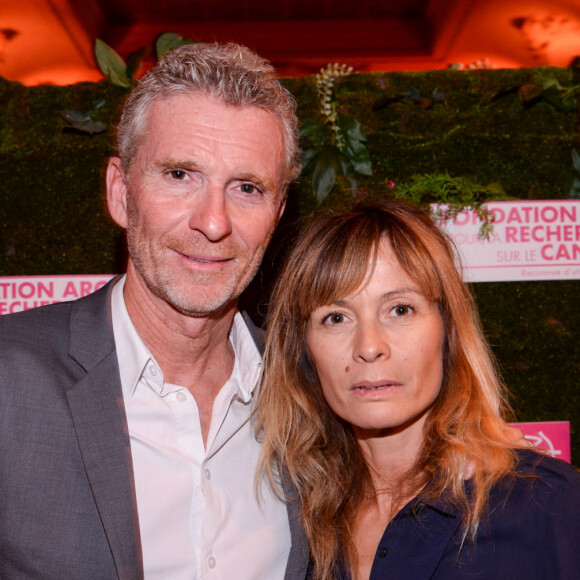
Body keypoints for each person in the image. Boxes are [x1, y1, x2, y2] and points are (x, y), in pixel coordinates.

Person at [0, 42, 309, 579]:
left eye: (246, 187)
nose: (213, 222)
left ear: (277, 214)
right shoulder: (10, 380)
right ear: (121, 193)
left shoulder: (313, 393)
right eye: (180, 175)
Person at [257, 200, 580, 580]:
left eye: (400, 309)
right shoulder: (291, 527)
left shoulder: (551, 506)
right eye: (336, 317)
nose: (369, 346)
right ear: (305, 352)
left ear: (448, 331)